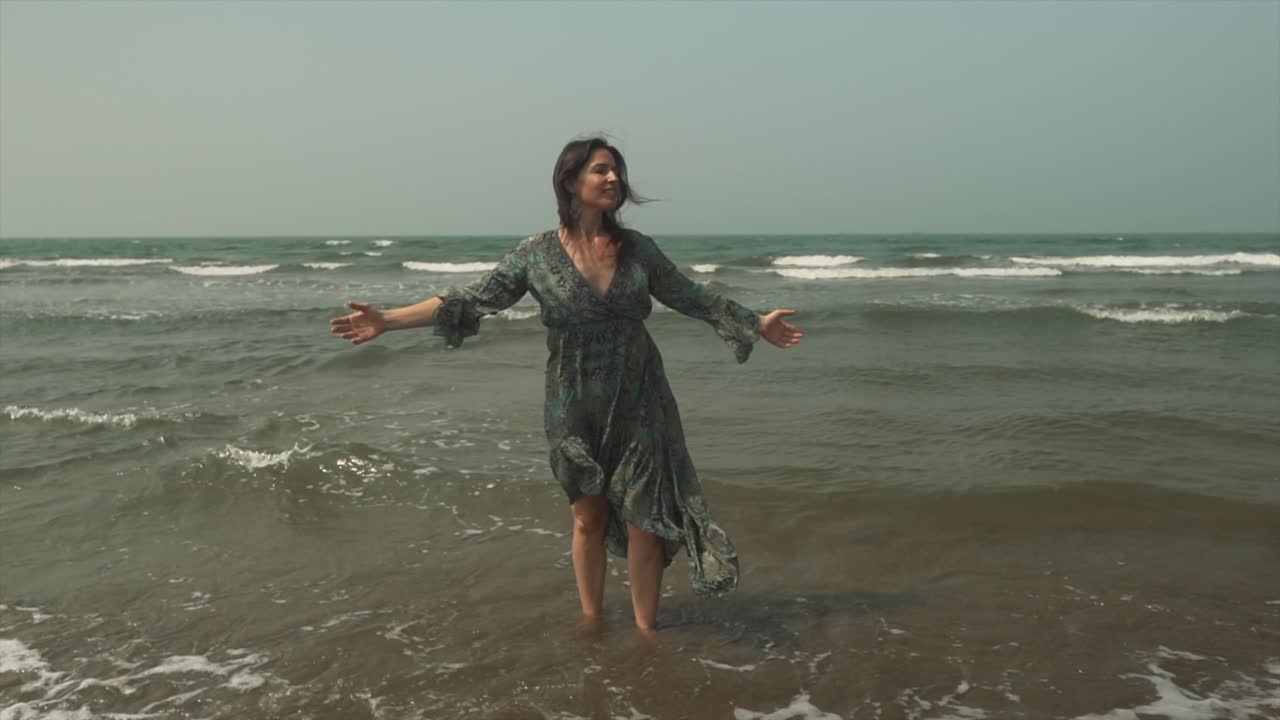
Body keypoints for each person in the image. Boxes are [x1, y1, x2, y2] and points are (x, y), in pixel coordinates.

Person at [329, 137, 805, 632]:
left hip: (640, 399)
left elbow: (693, 296)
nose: (614, 179)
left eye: (617, 170)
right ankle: (593, 624)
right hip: (572, 404)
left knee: (646, 522)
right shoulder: (536, 254)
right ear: (570, 181)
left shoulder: (638, 250)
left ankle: (648, 633)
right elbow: (470, 300)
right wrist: (387, 319)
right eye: (601, 170)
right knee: (588, 520)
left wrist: (754, 323)